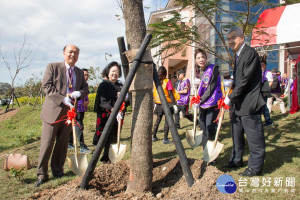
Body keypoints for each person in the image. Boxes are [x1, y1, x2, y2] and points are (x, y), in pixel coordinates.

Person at [36, 44, 89, 187]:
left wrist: (80, 93)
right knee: (47, 144)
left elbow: (85, 88)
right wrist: (62, 98)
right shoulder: (53, 67)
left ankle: (58, 170)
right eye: (70, 52)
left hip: (69, 114)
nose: (73, 55)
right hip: (52, 112)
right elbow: (46, 86)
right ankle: (42, 174)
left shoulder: (78, 72)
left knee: (62, 144)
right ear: (64, 53)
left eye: (76, 53)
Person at [223, 26, 265, 177]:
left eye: (233, 38)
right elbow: (238, 81)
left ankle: (255, 168)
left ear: (242, 37)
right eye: (228, 39)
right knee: (237, 135)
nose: (230, 41)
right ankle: (236, 160)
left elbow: (245, 81)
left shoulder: (250, 54)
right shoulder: (238, 56)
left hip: (249, 103)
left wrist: (229, 97)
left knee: (254, 138)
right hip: (238, 104)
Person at [93, 61, 126, 164]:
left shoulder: (120, 85)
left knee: (115, 136)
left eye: (117, 71)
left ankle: (109, 157)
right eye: (113, 71)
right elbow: (102, 101)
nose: (115, 73)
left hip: (118, 116)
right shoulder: (104, 85)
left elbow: (126, 101)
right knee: (105, 136)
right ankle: (105, 157)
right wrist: (112, 109)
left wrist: (124, 99)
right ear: (108, 72)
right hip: (106, 115)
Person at [194, 48, 222, 163]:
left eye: (203, 57)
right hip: (202, 104)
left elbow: (211, 87)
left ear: (206, 58)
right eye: (198, 58)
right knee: (203, 130)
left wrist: (199, 100)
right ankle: (206, 154)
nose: (201, 59)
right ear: (196, 60)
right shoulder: (200, 72)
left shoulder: (213, 69)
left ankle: (212, 156)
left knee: (210, 129)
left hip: (212, 102)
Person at [152, 66, 179, 144]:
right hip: (167, 104)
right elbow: (170, 94)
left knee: (158, 120)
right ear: (165, 74)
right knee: (167, 121)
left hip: (159, 104)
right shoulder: (167, 81)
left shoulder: (156, 82)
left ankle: (154, 136)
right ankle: (165, 139)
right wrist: (174, 104)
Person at [68, 68, 91, 153]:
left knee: (74, 125)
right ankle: (82, 146)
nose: (86, 76)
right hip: (77, 108)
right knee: (79, 126)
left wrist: (87, 101)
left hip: (82, 109)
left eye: (87, 75)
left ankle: (70, 142)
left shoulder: (85, 85)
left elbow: (86, 97)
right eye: (84, 75)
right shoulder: (77, 84)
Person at [261, 60, 274, 126]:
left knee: (263, 106)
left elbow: (270, 82)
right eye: (260, 65)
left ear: (265, 65)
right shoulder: (259, 72)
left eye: (263, 65)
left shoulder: (268, 72)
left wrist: (266, 91)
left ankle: (268, 120)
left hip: (264, 91)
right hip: (259, 91)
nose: (261, 66)